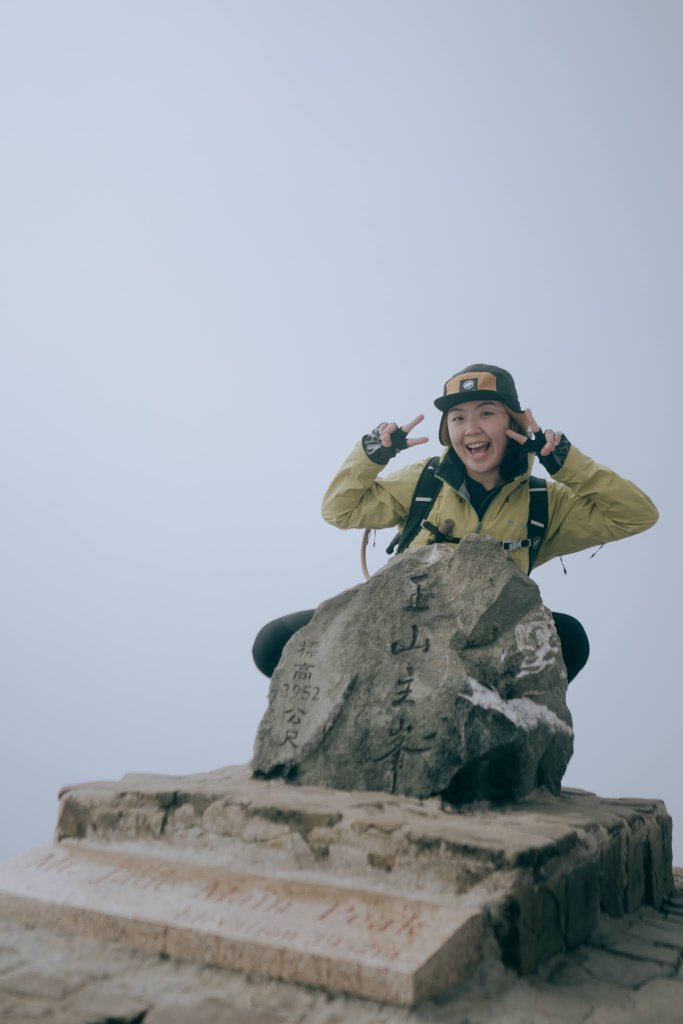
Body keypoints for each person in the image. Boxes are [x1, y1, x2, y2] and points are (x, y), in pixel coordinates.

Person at [253, 364, 658, 683]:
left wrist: (564, 461)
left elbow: (637, 514)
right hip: (400, 628)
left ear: (514, 424)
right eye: (458, 418)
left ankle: (496, 729)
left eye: (487, 413)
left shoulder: (543, 502)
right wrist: (373, 453)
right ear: (447, 431)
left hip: (486, 644)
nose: (472, 429)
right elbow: (339, 510)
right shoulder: (423, 481)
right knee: (274, 643)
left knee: (567, 639)